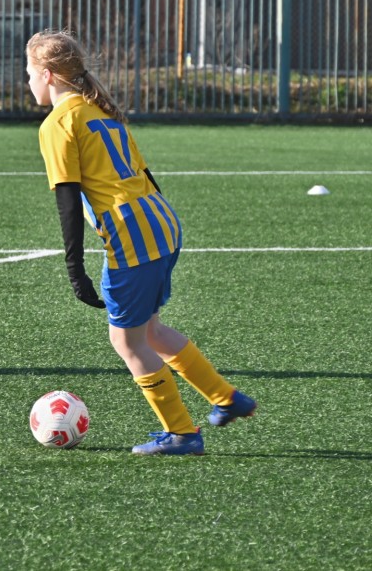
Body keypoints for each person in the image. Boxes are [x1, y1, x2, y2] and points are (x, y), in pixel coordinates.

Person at [25, 30, 256, 455]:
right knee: (151, 330)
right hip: (162, 223)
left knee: (127, 342)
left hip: (132, 233)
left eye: (29, 73)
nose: (28, 82)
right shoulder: (101, 109)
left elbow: (68, 201)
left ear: (48, 74)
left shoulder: (58, 123)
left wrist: (74, 268)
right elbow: (145, 176)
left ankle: (183, 434)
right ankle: (227, 398)